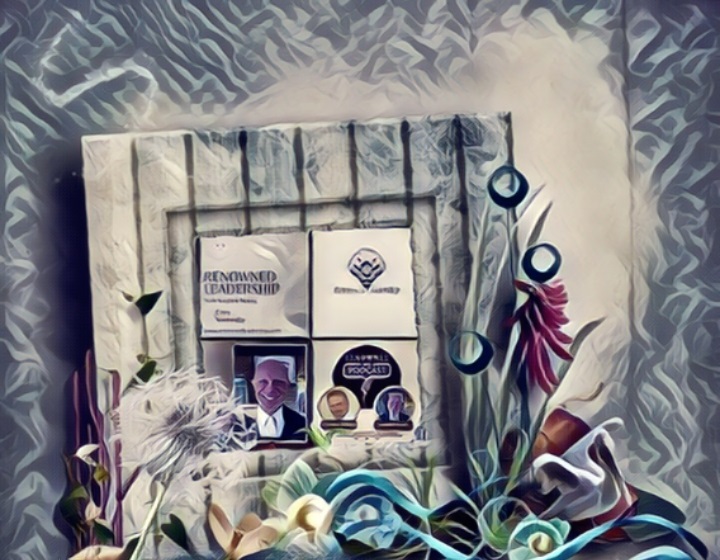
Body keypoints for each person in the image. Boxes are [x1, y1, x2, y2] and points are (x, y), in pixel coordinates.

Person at [243, 356, 306, 441]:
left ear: (287, 385)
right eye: (263, 382)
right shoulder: (238, 424)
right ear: (253, 384)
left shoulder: (303, 424)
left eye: (278, 382)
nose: (270, 389)